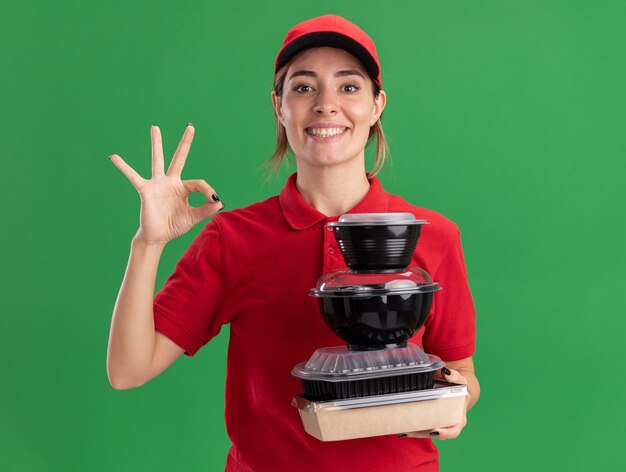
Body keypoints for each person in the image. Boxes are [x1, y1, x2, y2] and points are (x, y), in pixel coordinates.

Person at [107, 14, 480, 472]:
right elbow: (128, 370)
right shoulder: (233, 238)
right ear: (278, 107)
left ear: (377, 105)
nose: (326, 104)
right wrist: (148, 243)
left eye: (349, 87)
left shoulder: (431, 234)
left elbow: (461, 374)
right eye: (303, 87)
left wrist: (453, 405)